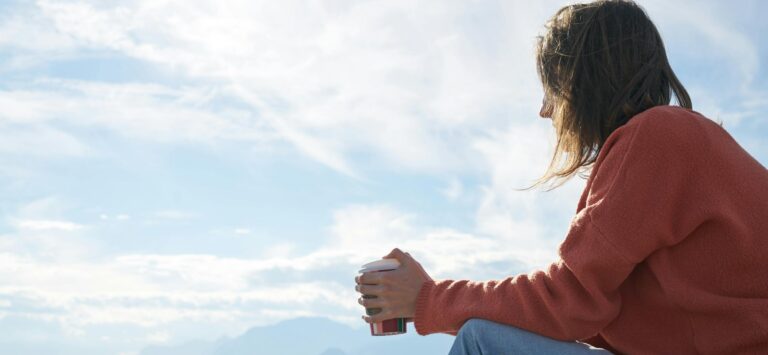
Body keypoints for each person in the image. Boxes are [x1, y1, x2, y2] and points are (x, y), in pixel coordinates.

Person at [354, 0, 768, 354]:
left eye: (552, 88)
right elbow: (588, 312)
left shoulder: (657, 138)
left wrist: (427, 299)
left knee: (482, 341)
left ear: (582, 81)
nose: (546, 110)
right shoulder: (684, 140)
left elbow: (570, 300)